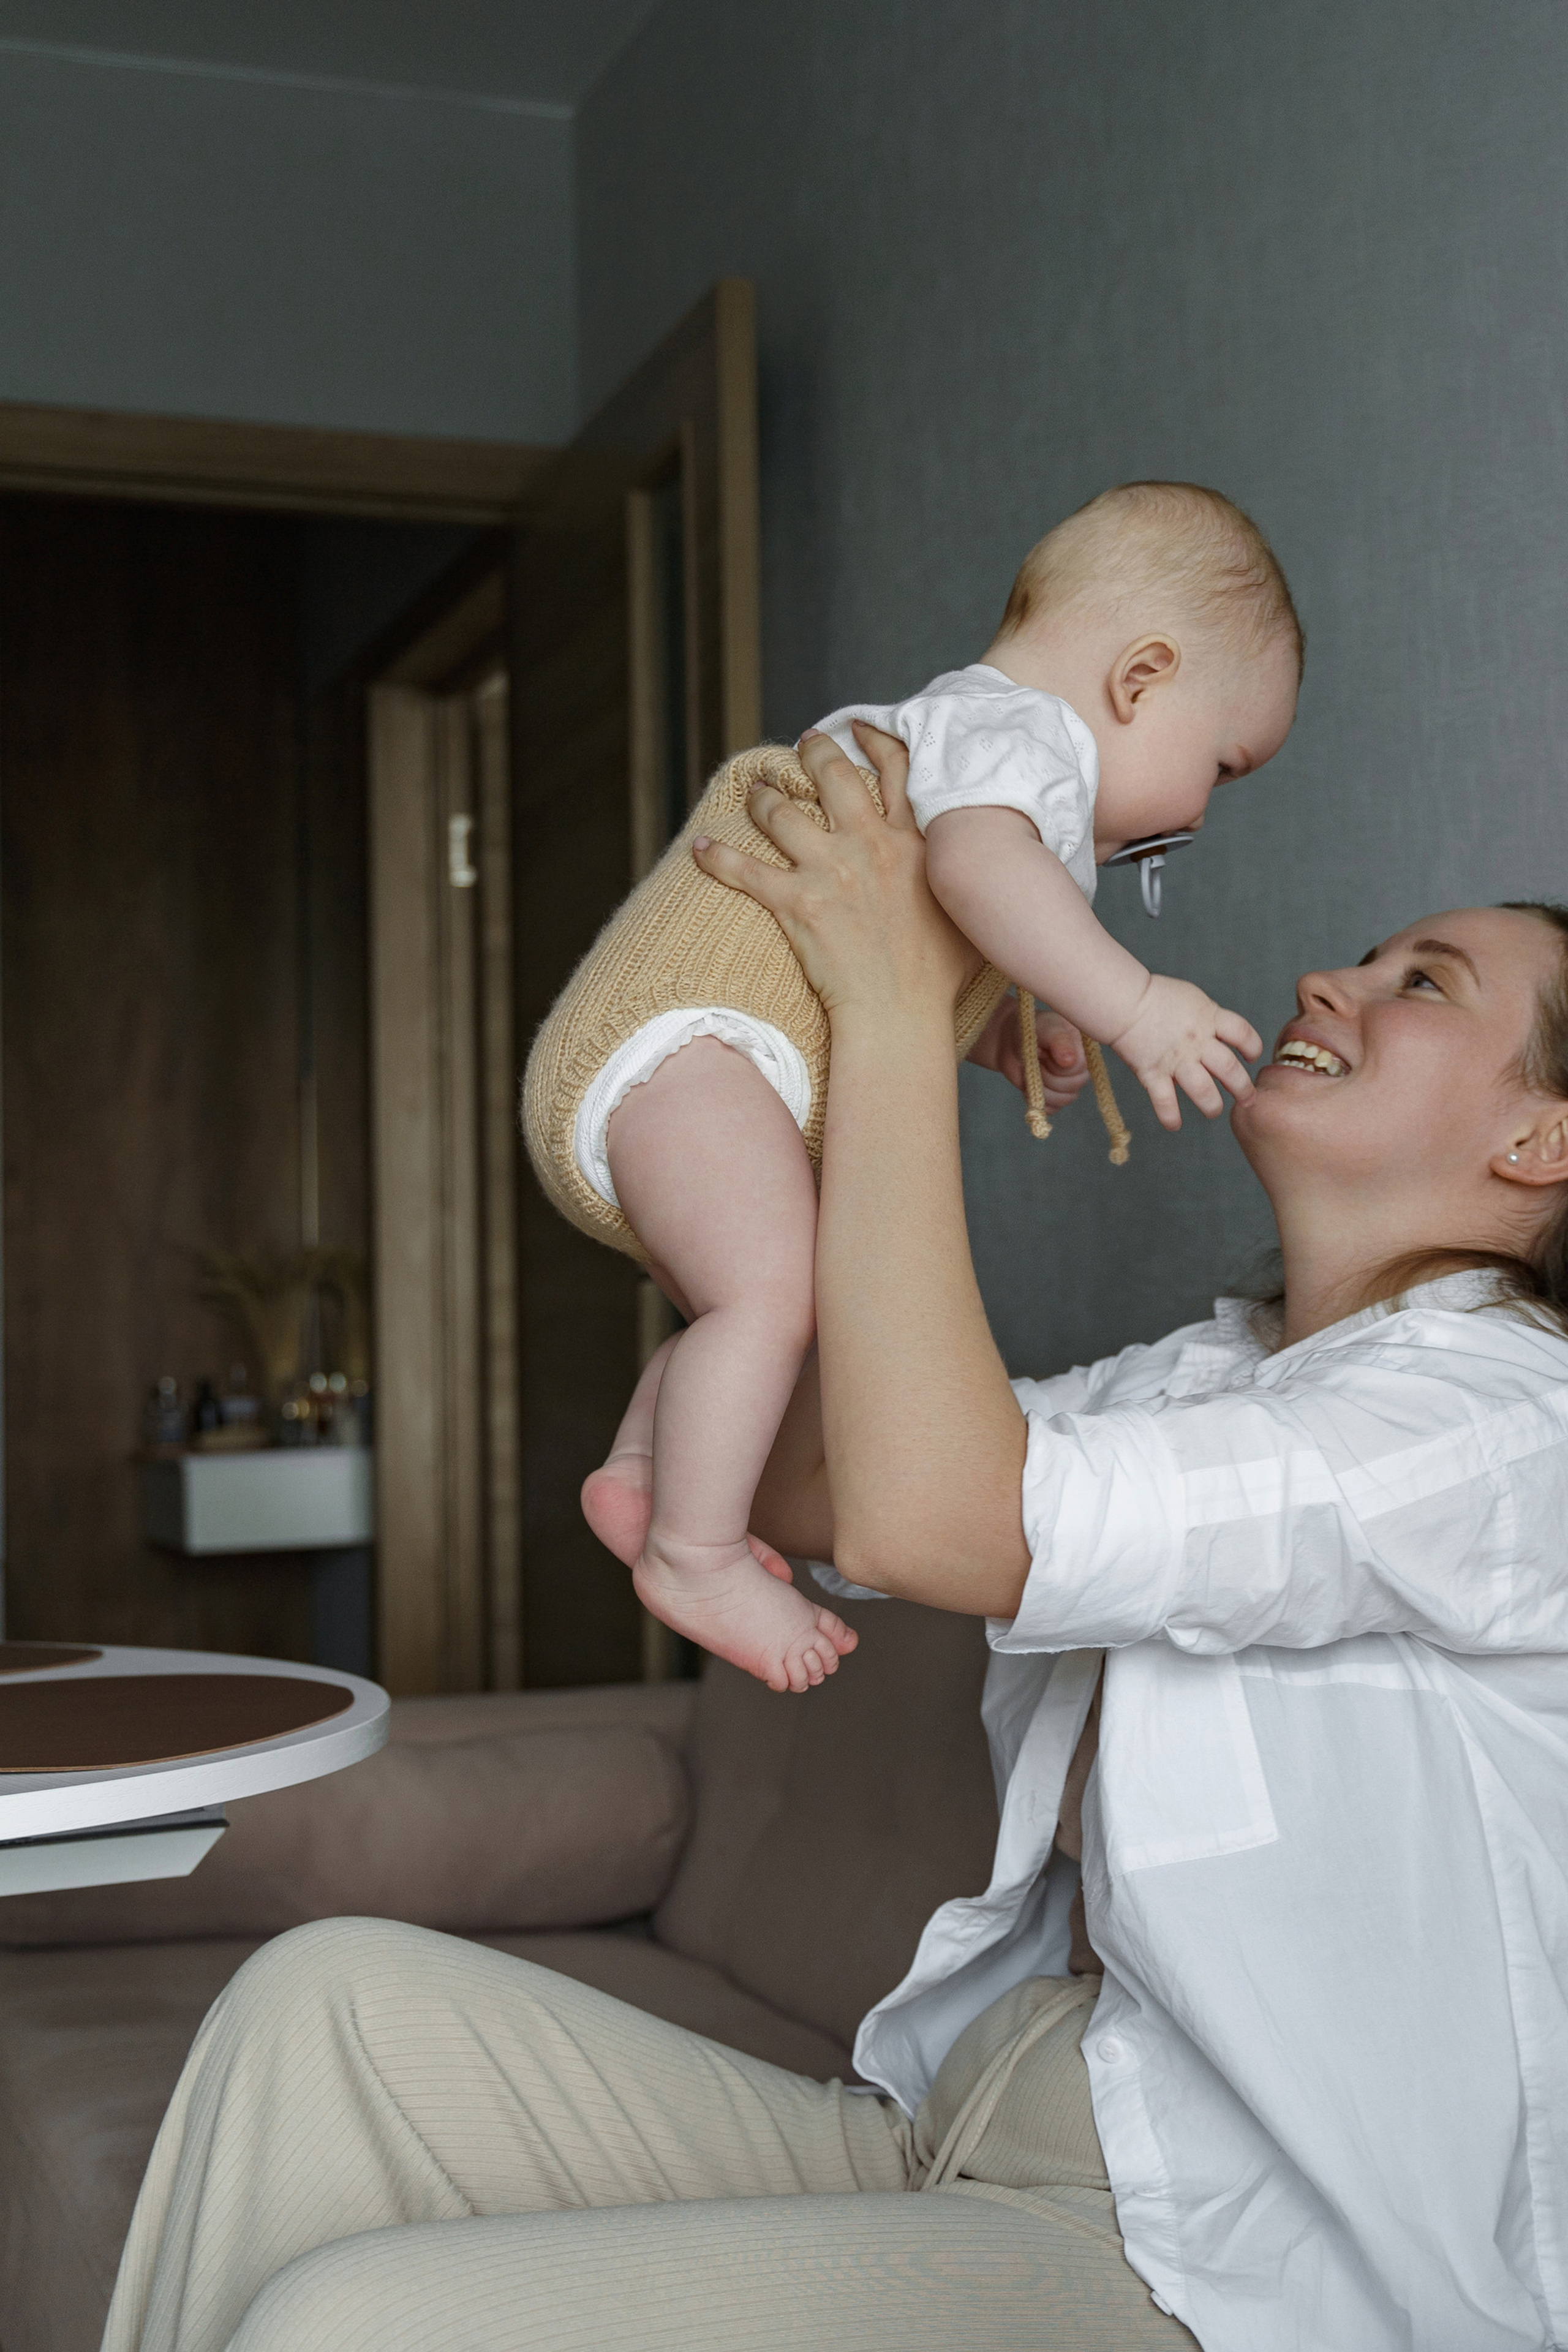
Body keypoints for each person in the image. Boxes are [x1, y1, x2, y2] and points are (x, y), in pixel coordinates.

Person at [103, 734, 1568, 2352]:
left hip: (1239, 2269)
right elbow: (812, 1482)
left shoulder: (1498, 1430)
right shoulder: (1209, 1376)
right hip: (986, 2119)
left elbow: (926, 1512)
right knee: (328, 2011)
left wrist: (880, 1001)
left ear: (1541, 1147)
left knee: (352, 2323)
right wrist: (846, 1051)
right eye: (1373, 955)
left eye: (1424, 983)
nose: (1333, 980)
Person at [523, 482, 1302, 1697]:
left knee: (796, 1300)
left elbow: (910, 943)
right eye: (1220, 765)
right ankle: (693, 1550)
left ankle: (642, 1467)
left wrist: (992, 1034)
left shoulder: (956, 748)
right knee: (774, 1292)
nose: (1196, 813)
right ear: (1139, 677)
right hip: (689, 1045)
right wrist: (1133, 1004)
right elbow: (979, 872)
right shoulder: (1021, 743)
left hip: (701, 1065)